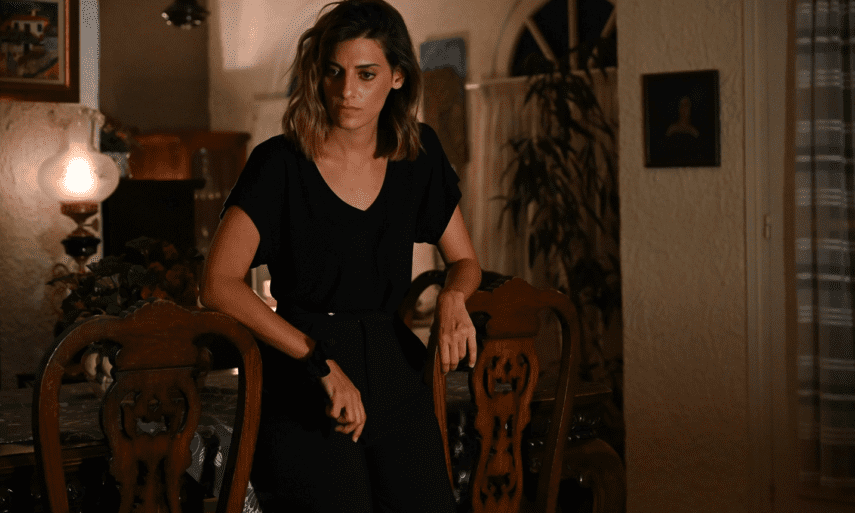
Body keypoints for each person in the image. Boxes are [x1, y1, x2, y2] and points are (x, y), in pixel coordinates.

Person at [198, 1, 481, 512]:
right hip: (303, 373)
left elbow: (464, 261)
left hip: (394, 368)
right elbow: (218, 284)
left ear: (397, 77)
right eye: (334, 72)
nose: (347, 91)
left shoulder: (417, 154)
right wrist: (318, 363)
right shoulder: (279, 164)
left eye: (366, 74)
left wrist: (454, 297)